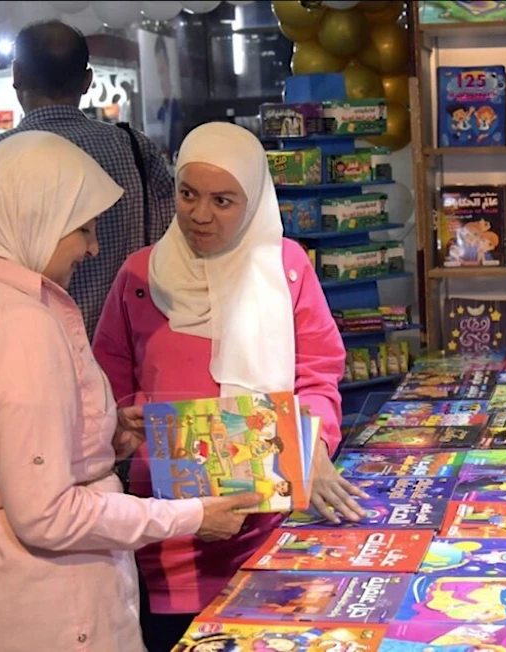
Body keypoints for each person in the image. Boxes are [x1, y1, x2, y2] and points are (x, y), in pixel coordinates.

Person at [0, 131, 262, 652]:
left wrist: (102, 439)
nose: (93, 248)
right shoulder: (13, 321)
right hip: (47, 607)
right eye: (83, 229)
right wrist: (190, 516)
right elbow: (46, 514)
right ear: (33, 219)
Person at [92, 122, 366, 651]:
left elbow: (318, 371)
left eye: (223, 200)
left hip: (269, 521)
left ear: (255, 199)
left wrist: (311, 443)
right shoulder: (139, 277)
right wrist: (128, 439)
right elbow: (108, 389)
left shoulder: (285, 268)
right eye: (188, 194)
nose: (199, 215)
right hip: (169, 527)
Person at [0, 20, 176, 339]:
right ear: (87, 80)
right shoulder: (134, 148)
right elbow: (168, 239)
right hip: (126, 346)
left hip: (25, 346)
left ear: (17, 75)